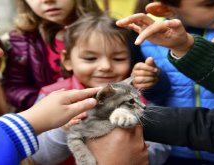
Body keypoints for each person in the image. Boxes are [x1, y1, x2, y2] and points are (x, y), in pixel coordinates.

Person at [0, 1, 148, 164]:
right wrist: (49, 118)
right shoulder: (51, 93)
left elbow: (155, 140)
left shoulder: (132, 94)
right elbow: (38, 154)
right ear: (67, 60)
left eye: (118, 58)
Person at [118, 0, 214, 164]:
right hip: (177, 149)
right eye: (210, 3)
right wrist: (154, 82)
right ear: (163, 9)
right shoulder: (147, 36)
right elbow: (153, 97)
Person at [31, 13, 170, 165]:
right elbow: (39, 157)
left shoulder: (137, 95)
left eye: (118, 59)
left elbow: (163, 143)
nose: (105, 67)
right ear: (67, 60)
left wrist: (140, 159)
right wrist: (63, 128)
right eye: (90, 58)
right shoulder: (53, 97)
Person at [2, 0, 103, 111]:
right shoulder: (22, 40)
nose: (48, 0)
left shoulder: (111, 32)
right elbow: (14, 87)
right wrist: (45, 105)